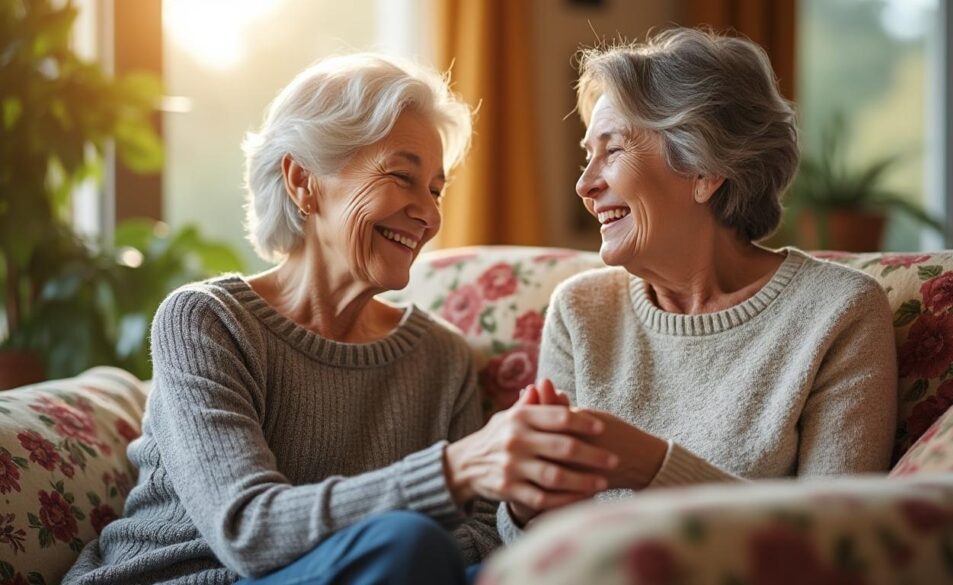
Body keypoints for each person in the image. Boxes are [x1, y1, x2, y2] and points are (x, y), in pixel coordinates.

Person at [63, 54, 618, 585]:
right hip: (187, 578)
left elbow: (476, 541)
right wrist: (455, 469)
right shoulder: (208, 321)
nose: (427, 214)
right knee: (406, 544)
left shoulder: (441, 356)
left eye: (435, 189)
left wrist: (519, 509)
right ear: (303, 181)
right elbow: (246, 530)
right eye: (401, 177)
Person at [497, 28, 898, 541]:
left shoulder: (838, 312)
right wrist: (529, 504)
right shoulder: (582, 309)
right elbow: (526, 543)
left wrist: (652, 467)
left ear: (705, 170)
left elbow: (836, 542)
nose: (585, 184)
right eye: (586, 155)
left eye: (612, 150)